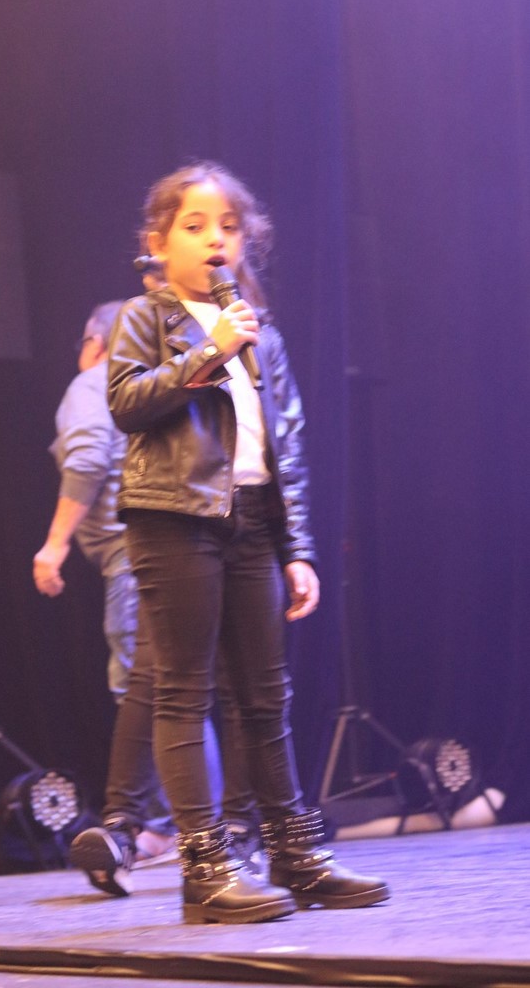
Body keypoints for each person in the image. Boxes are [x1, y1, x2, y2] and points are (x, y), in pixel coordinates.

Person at [105, 161, 390, 924]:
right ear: (158, 241)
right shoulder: (145, 317)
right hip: (174, 518)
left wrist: (298, 550)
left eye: (228, 227)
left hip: (253, 524)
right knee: (183, 692)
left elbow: (283, 446)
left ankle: (294, 856)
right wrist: (209, 352)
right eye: (195, 225)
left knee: (265, 700)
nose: (215, 240)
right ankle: (204, 869)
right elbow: (127, 403)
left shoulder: (262, 335)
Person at [34, 300, 262, 896]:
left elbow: (88, 458)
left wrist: (54, 544)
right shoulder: (190, 369)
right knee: (168, 684)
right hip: (184, 539)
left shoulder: (94, 381)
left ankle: (187, 831)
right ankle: (156, 826)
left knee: (169, 690)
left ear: (95, 342)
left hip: (150, 547)